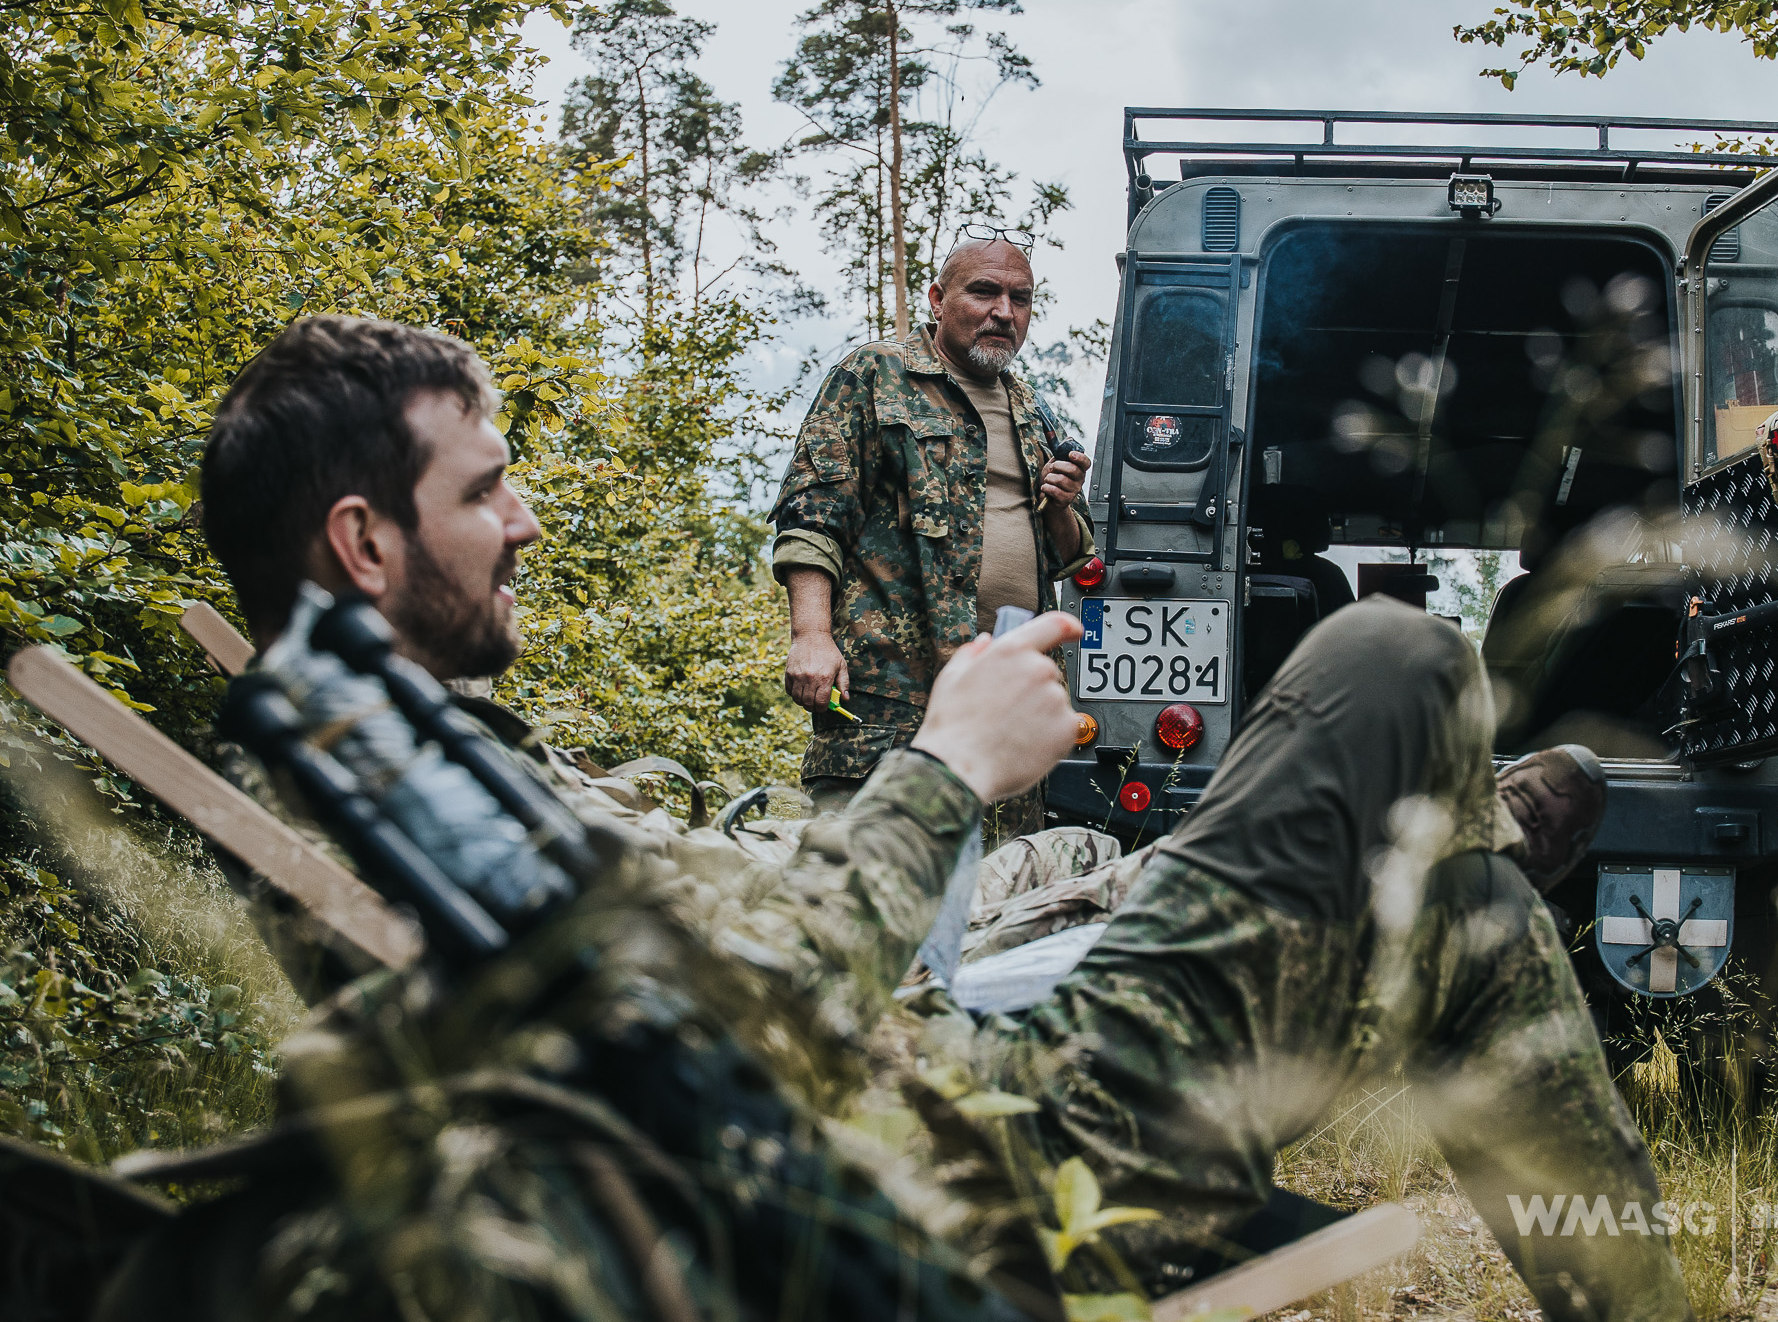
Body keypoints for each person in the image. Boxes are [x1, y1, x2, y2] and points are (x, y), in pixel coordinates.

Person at [186, 315, 1691, 1321]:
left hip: (960, 1064)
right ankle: (1463, 820)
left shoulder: (424, 759)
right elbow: (699, 1042)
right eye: (486, 492)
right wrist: (944, 763)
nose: (521, 522)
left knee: (1465, 909)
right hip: (992, 1145)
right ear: (366, 540)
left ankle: (1463, 847)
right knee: (1396, 655)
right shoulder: (366, 805)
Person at [771, 236, 1095, 830]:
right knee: (873, 885)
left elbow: (1069, 556)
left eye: (1020, 299)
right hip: (895, 696)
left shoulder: (1033, 408)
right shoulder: (875, 375)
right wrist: (811, 635)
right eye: (984, 292)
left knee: (995, 896)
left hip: (1004, 701)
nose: (1004, 311)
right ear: (938, 299)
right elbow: (814, 514)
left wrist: (1060, 504)